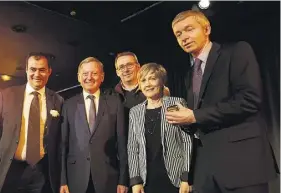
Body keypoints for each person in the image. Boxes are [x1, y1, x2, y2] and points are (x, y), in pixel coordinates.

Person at [166, 10, 278, 193]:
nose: (184, 37)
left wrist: (194, 115)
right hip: (206, 172)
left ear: (207, 28)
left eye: (189, 29)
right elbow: (199, 119)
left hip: (242, 165)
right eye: (178, 34)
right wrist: (183, 121)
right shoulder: (189, 75)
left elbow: (249, 100)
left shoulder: (237, 52)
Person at [0, 53, 64, 193]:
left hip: (42, 172)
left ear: (49, 72)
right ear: (26, 70)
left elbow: (60, 142)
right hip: (9, 170)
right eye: (33, 69)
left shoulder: (58, 100)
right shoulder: (7, 95)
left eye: (42, 70)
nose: (37, 74)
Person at [60, 57, 128, 193]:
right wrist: (63, 180)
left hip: (108, 177)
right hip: (75, 178)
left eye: (94, 73)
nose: (89, 77)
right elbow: (63, 145)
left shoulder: (115, 103)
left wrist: (123, 180)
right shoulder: (68, 105)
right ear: (79, 77)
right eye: (85, 74)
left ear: (102, 77)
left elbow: (122, 143)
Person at [127, 63, 192, 193]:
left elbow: (187, 142)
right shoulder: (135, 112)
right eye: (143, 80)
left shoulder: (177, 103)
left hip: (176, 178)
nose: (148, 84)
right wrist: (135, 181)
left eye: (152, 78)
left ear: (162, 81)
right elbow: (132, 148)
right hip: (147, 181)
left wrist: (187, 177)